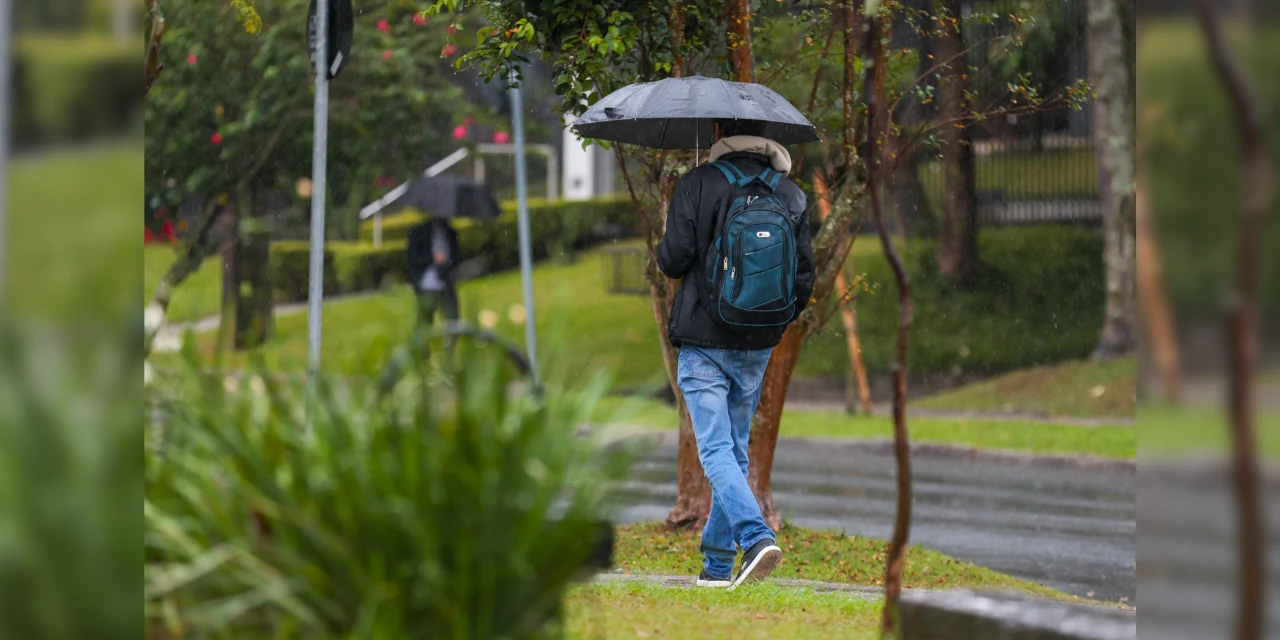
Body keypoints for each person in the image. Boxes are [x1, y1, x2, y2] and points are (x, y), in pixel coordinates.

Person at [657, 120, 815, 589]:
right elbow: (802, 280)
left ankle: (755, 536)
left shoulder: (699, 183)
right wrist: (767, 322)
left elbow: (671, 261)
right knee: (735, 454)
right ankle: (718, 567)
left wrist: (684, 210)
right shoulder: (791, 194)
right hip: (758, 343)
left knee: (715, 450)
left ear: (722, 133)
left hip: (705, 340)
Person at [406, 218, 460, 331]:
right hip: (427, 281)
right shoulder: (419, 232)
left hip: (445, 279)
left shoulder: (450, 231)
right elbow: (413, 257)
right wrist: (432, 258)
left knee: (453, 318)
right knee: (425, 320)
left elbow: (455, 256)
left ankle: (451, 345)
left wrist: (447, 262)